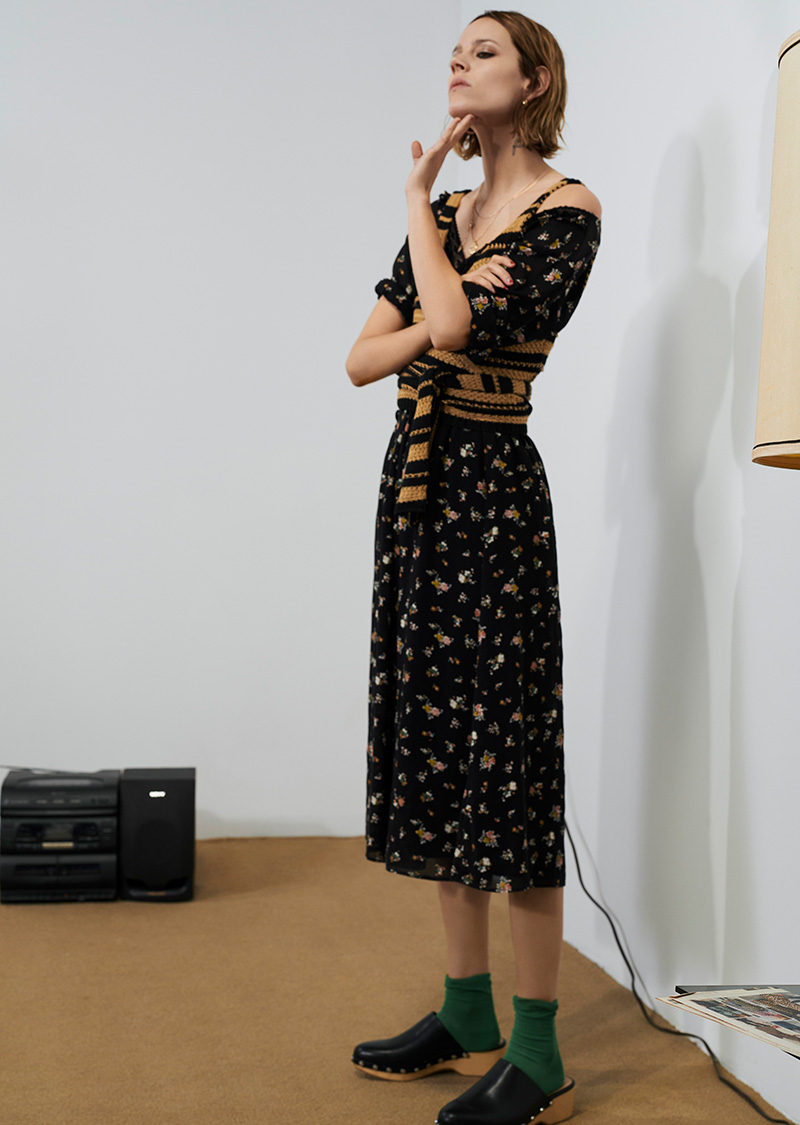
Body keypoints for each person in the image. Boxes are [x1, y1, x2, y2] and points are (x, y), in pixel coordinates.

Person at [346, 11, 601, 1125]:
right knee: (446, 752)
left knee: (512, 768)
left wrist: (415, 217)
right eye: (456, 51)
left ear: (534, 79)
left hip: (493, 497)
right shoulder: (452, 212)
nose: (459, 62)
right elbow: (361, 358)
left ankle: (538, 1051)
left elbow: (446, 326)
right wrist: (431, 222)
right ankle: (466, 1010)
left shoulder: (567, 212)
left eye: (484, 51)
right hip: (420, 494)